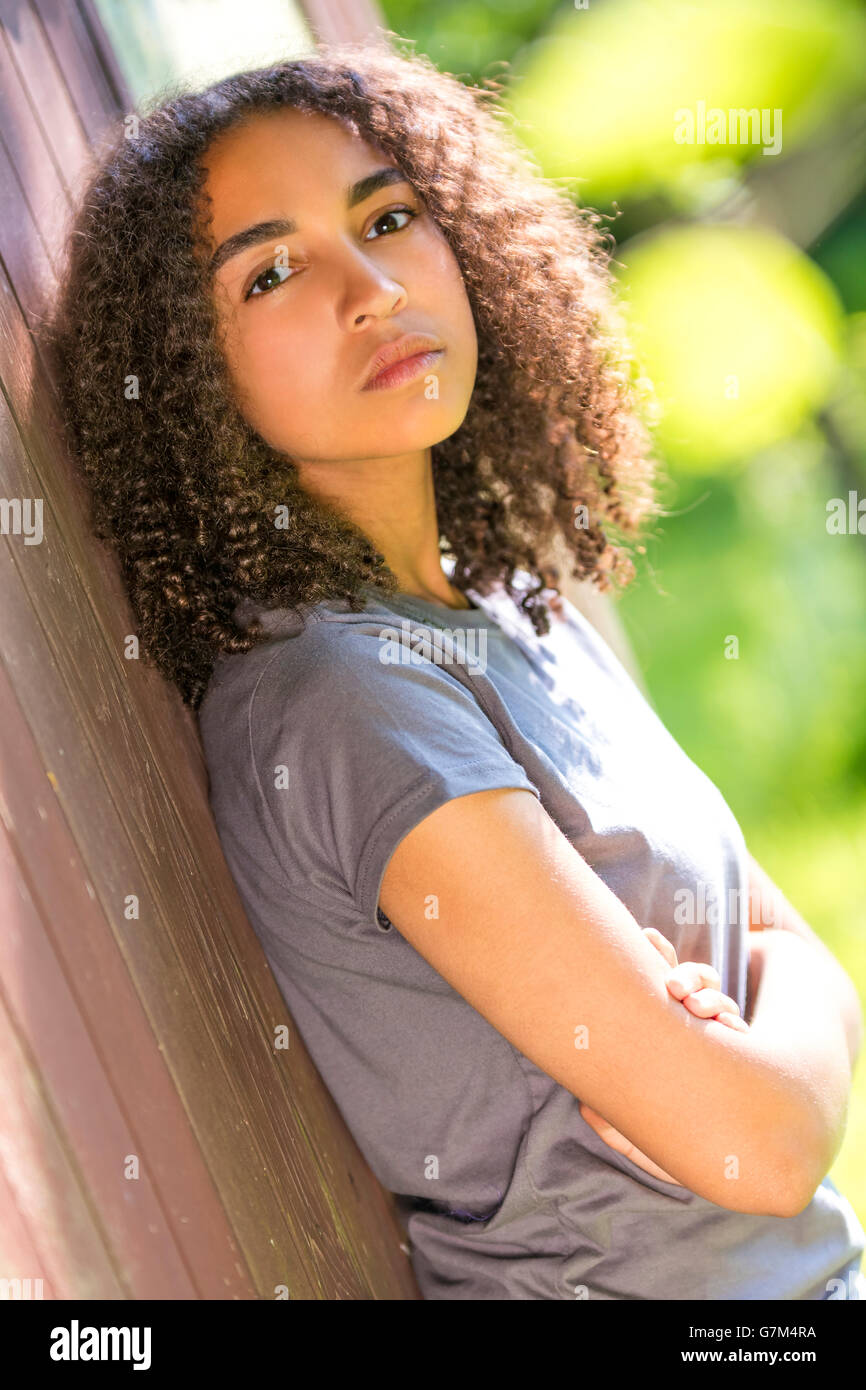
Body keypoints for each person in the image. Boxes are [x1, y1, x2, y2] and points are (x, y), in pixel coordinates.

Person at [43, 39, 865, 1300]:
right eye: (271, 272)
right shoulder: (343, 698)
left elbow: (791, 952)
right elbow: (753, 1145)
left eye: (387, 216)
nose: (368, 286)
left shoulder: (508, 608)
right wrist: (778, 1071)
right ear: (191, 376)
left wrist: (774, 1053)